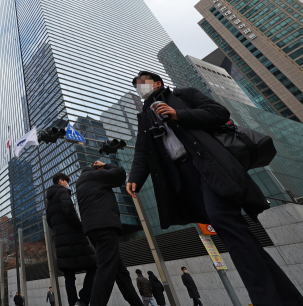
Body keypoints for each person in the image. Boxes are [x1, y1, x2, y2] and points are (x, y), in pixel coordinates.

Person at [126, 71, 303, 306]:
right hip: (184, 178)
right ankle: (287, 299)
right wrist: (135, 177)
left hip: (208, 165)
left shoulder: (183, 95)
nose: (140, 88)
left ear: (156, 83)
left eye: (142, 83)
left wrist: (179, 114)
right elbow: (142, 151)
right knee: (235, 233)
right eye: (136, 86)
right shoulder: (144, 117)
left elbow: (219, 113)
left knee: (222, 220)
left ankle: (264, 299)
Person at [76, 161, 143, 306]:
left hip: (93, 231)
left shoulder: (81, 184)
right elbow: (120, 175)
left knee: (120, 273)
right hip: (105, 227)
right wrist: (105, 165)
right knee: (105, 270)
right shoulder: (94, 177)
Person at [45, 172, 96, 306]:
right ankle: (84, 299)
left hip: (60, 242)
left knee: (69, 276)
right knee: (95, 266)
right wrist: (80, 226)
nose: (67, 184)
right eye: (66, 181)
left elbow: (49, 220)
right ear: (61, 181)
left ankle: (73, 303)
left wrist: (58, 230)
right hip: (74, 238)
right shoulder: (63, 192)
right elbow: (68, 211)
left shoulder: (49, 200)